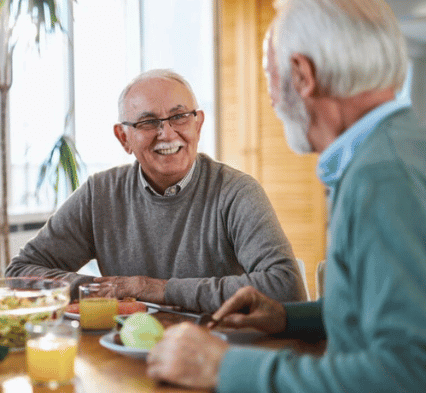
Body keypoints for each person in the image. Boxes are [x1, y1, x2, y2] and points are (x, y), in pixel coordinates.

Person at [146, 0, 426, 391]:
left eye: (269, 77)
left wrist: (225, 368)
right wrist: (286, 317)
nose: (273, 100)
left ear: (302, 75)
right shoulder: (394, 147)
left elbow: (406, 375)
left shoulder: (382, 177)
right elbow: (384, 312)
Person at [6, 69, 306, 312]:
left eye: (179, 117)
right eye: (149, 122)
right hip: (121, 354)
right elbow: (20, 272)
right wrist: (103, 289)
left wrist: (152, 288)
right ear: (124, 138)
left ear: (198, 124)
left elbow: (286, 288)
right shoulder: (100, 193)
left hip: (215, 352)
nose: (167, 133)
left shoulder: (236, 192)